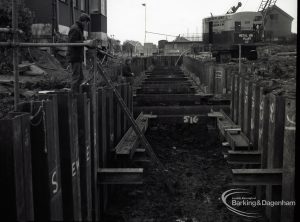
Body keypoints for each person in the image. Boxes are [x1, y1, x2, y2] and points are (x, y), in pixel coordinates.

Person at [67, 13, 94, 93]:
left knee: (80, 77)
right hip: (75, 56)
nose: (87, 25)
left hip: (78, 56)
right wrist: (84, 42)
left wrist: (88, 44)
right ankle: (73, 95)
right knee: (76, 77)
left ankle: (77, 93)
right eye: (87, 23)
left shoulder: (79, 28)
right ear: (84, 21)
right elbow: (72, 42)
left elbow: (80, 41)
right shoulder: (75, 29)